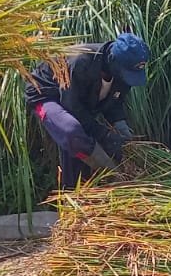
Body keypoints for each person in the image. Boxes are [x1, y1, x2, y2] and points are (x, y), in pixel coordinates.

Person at [24, 32, 151, 193]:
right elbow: (72, 107)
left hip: (78, 101)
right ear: (112, 59)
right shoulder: (81, 61)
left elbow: (115, 103)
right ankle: (112, 177)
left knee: (104, 141)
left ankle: (91, 189)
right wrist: (104, 134)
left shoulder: (122, 71)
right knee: (72, 132)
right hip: (47, 95)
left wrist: (121, 127)